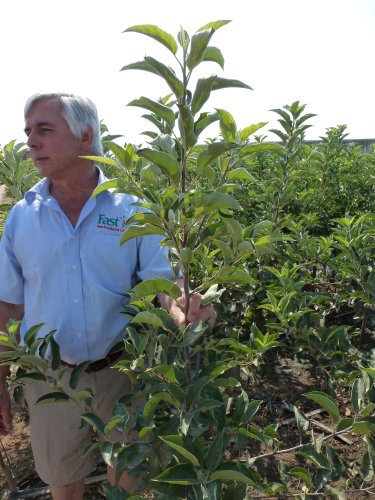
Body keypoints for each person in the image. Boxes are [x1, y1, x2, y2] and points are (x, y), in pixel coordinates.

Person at [0, 92, 216, 499]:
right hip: (49, 376)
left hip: (123, 372)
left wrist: (182, 308)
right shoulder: (22, 217)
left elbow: (164, 284)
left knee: (129, 478)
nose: (31, 141)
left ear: (85, 137)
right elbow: (9, 306)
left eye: (44, 129)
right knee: (63, 478)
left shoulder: (132, 208)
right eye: (28, 131)